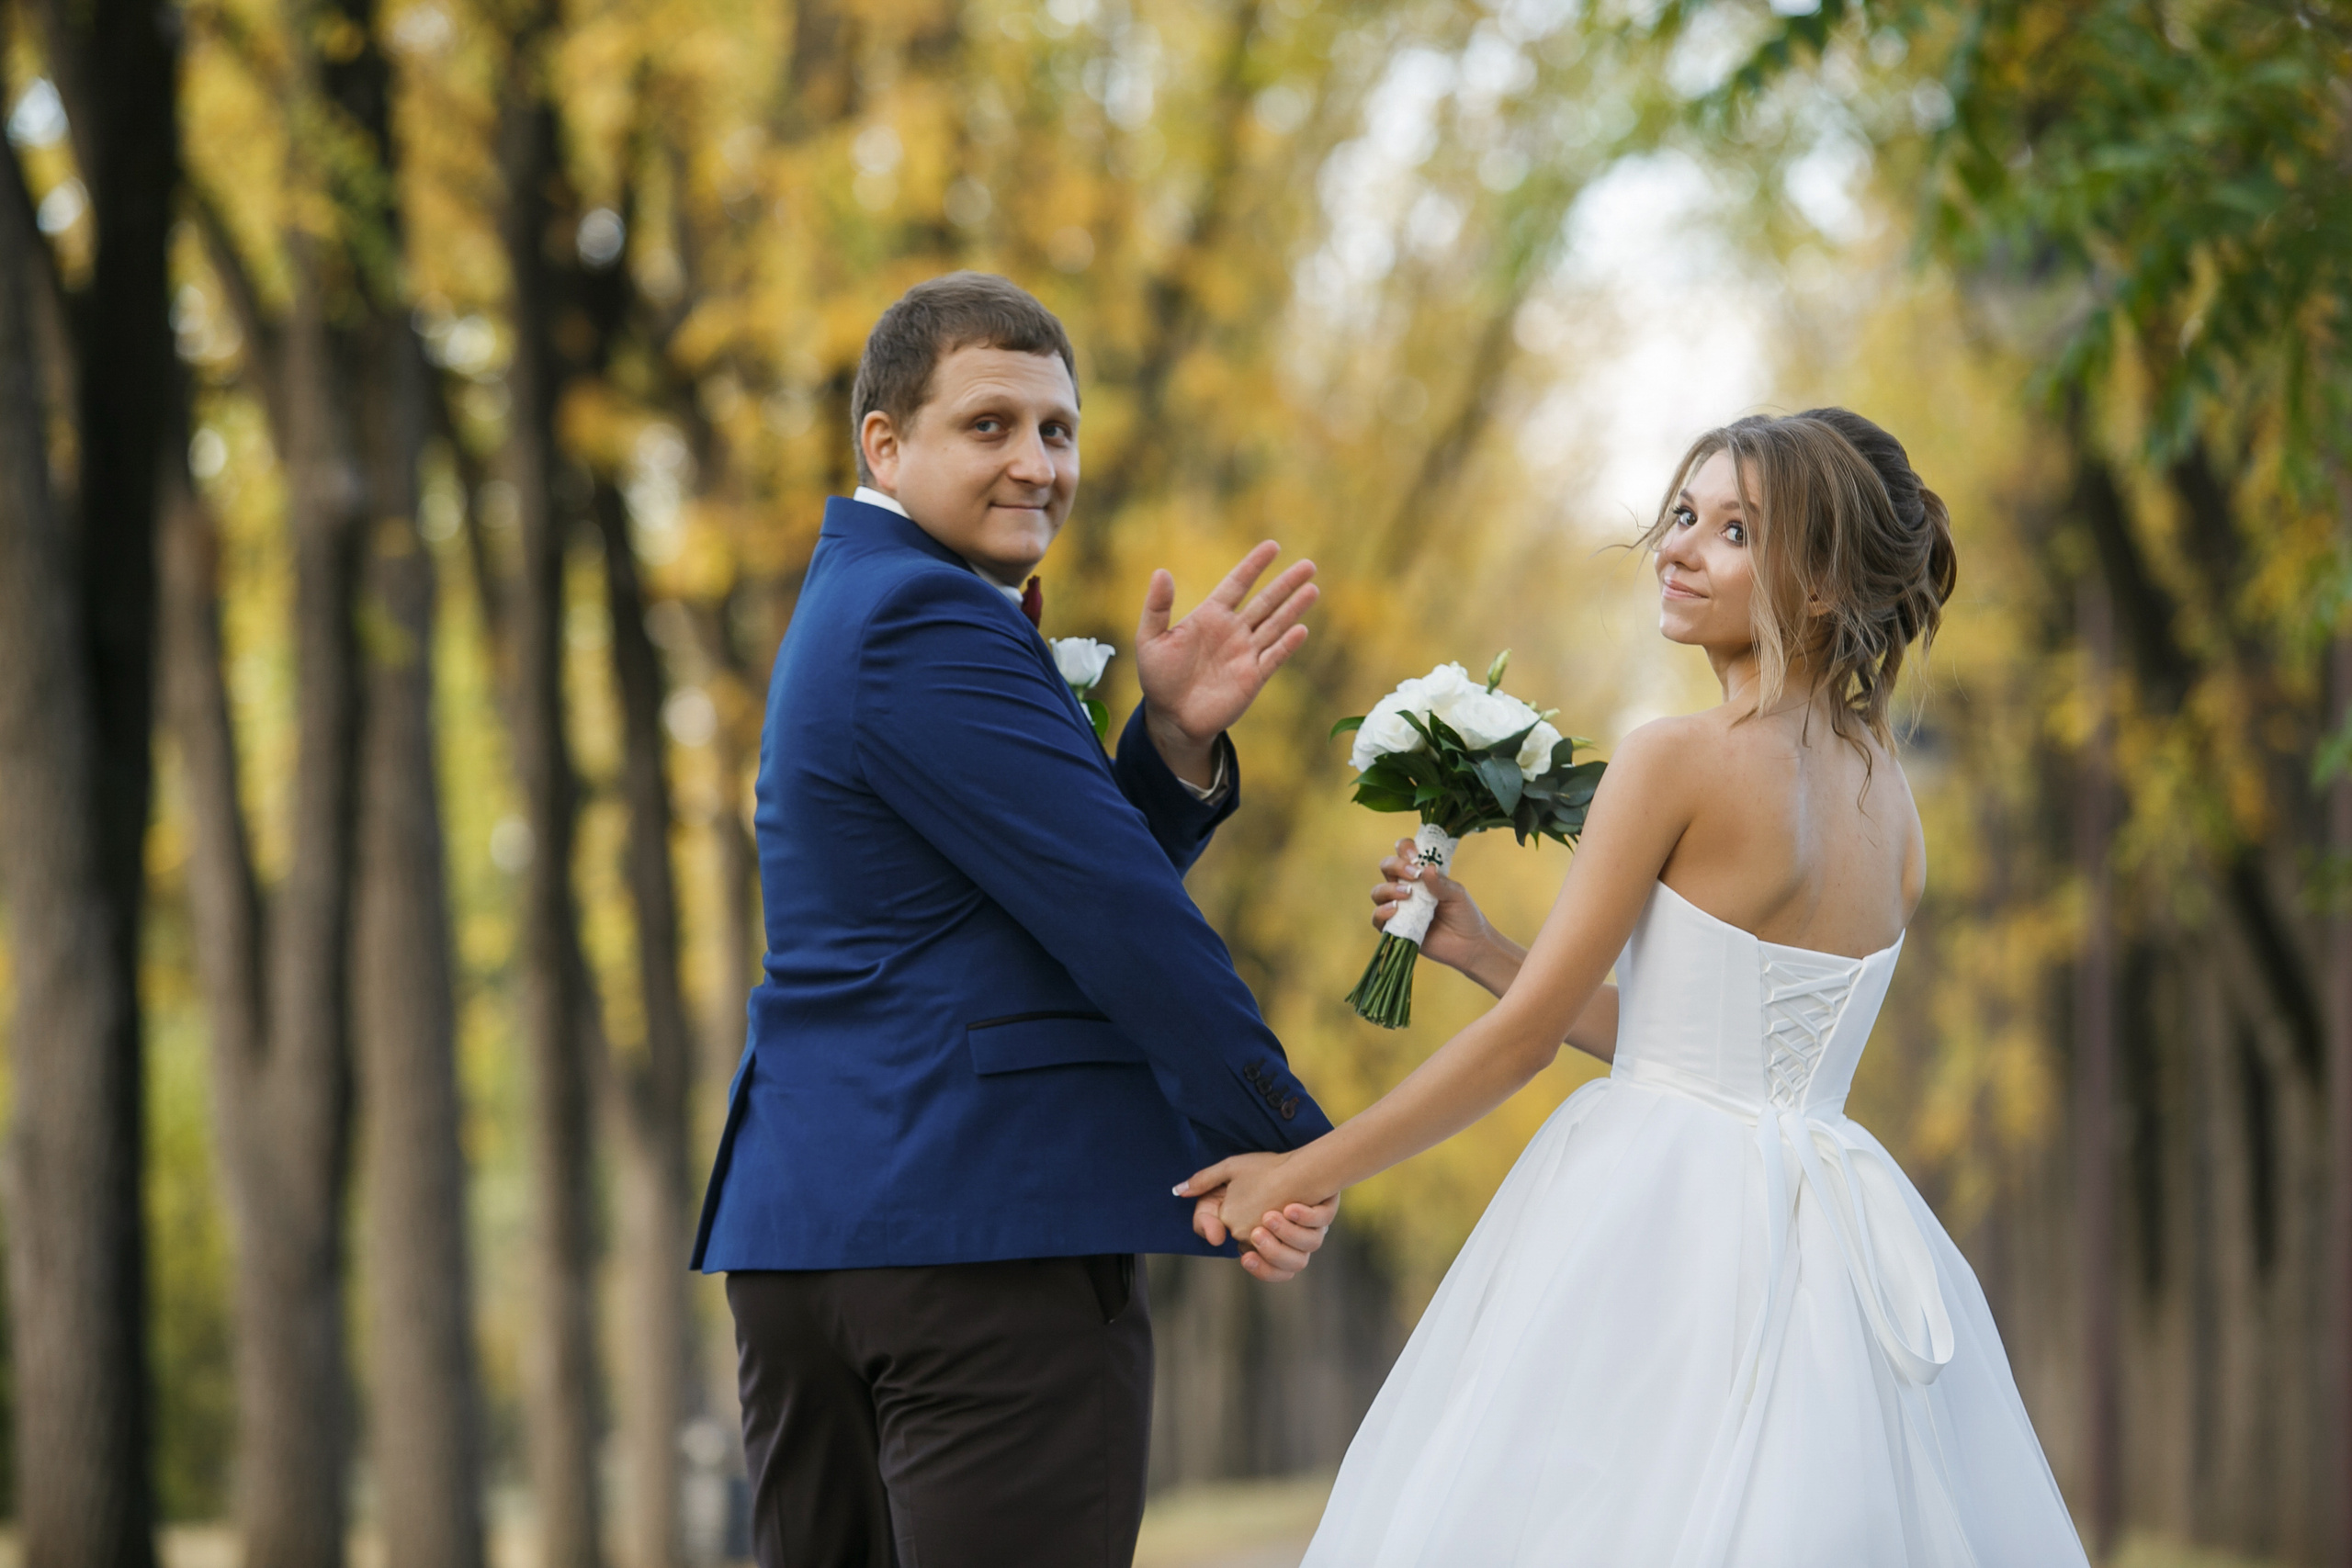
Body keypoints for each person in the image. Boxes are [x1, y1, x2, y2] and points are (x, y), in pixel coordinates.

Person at [1180, 410, 2092, 1564]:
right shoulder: (1889, 798)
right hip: (1828, 1239)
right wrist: (1491, 953)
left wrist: (1299, 1172)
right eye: (1681, 514)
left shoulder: (1676, 758)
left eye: (1733, 532)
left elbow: (1525, 1046)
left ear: (1819, 586)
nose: (1679, 548)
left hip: (1663, 1229)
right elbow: (1712, 1050)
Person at [692, 272, 1339, 1568]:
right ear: (885, 444)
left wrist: (1168, 742)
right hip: (983, 1239)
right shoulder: (923, 613)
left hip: (817, 1234)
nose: (1037, 463)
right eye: (989, 424)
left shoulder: (855, 602)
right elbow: (1115, 913)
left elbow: (1030, 896)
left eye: (1057, 429)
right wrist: (1289, 1139)